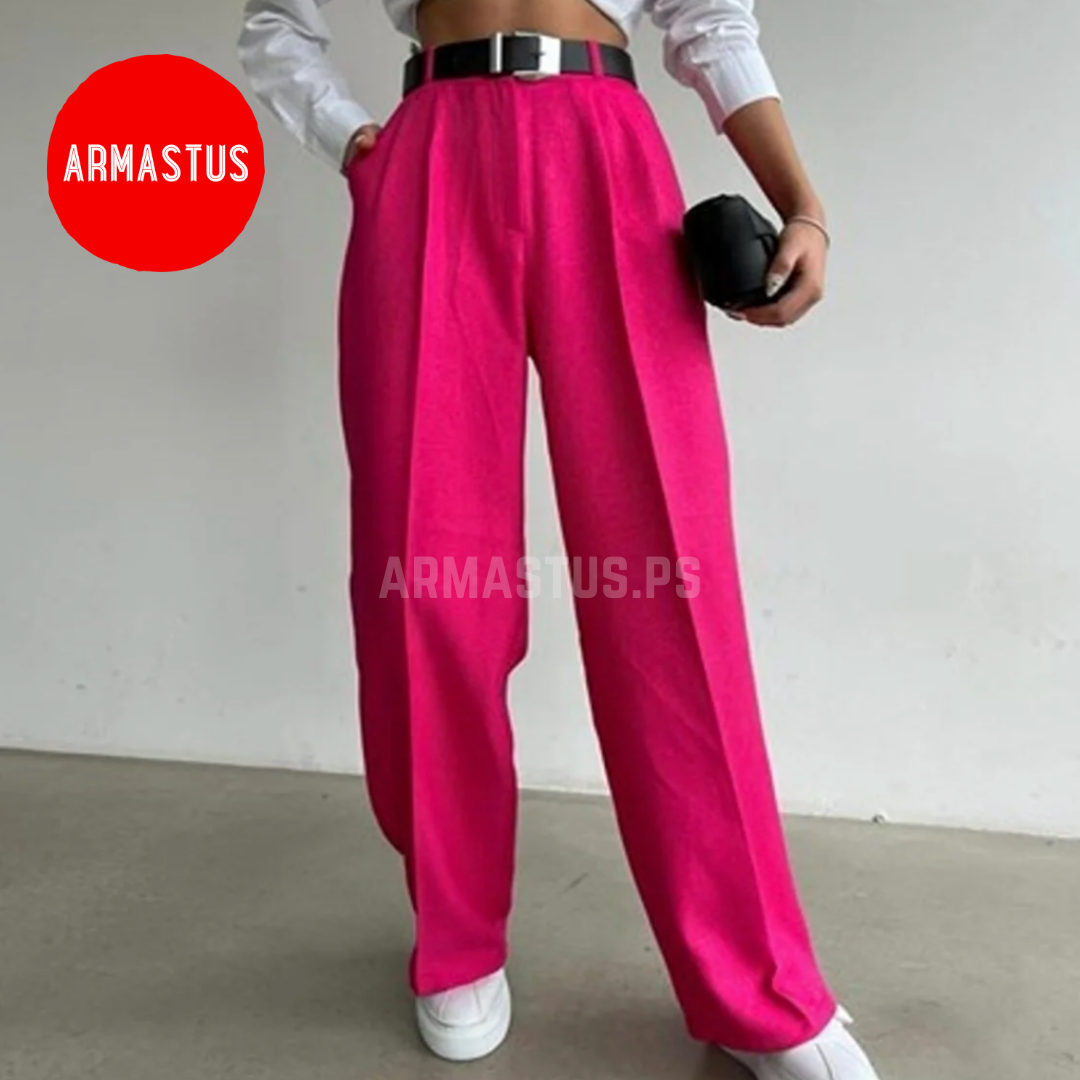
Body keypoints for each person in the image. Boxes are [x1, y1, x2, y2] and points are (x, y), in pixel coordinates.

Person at [236, 2, 884, 1078]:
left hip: (606, 147)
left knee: (670, 581)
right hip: (430, 155)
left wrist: (800, 203)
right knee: (428, 584)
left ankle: (756, 986)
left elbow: (709, 21)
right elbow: (277, 23)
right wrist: (353, 141)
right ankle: (455, 941)